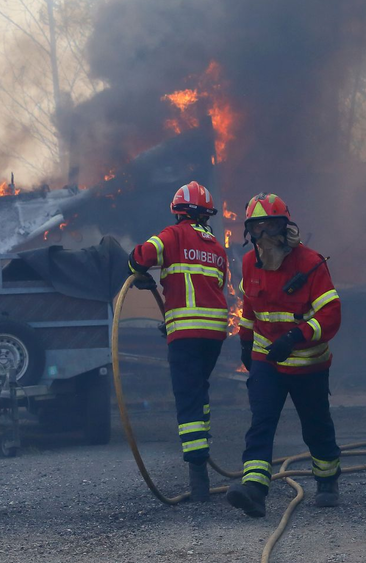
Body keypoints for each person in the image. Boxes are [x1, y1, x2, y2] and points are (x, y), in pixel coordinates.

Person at [225, 193, 342, 518]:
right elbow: (249, 306)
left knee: (316, 425)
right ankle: (255, 491)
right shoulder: (250, 262)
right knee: (261, 423)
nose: (263, 238)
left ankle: (328, 480)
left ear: (285, 227)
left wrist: (296, 336)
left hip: (308, 364)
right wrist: (246, 342)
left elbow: (331, 314)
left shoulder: (309, 263)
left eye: (270, 227)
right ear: (249, 232)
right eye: (256, 229)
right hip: (267, 361)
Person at [128, 181, 228, 501]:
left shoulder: (172, 236)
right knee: (199, 389)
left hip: (185, 333)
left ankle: (198, 475)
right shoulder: (216, 247)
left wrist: (138, 271)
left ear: (178, 212)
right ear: (207, 214)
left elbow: (143, 255)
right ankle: (204, 447)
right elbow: (212, 286)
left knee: (187, 397)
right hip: (213, 333)